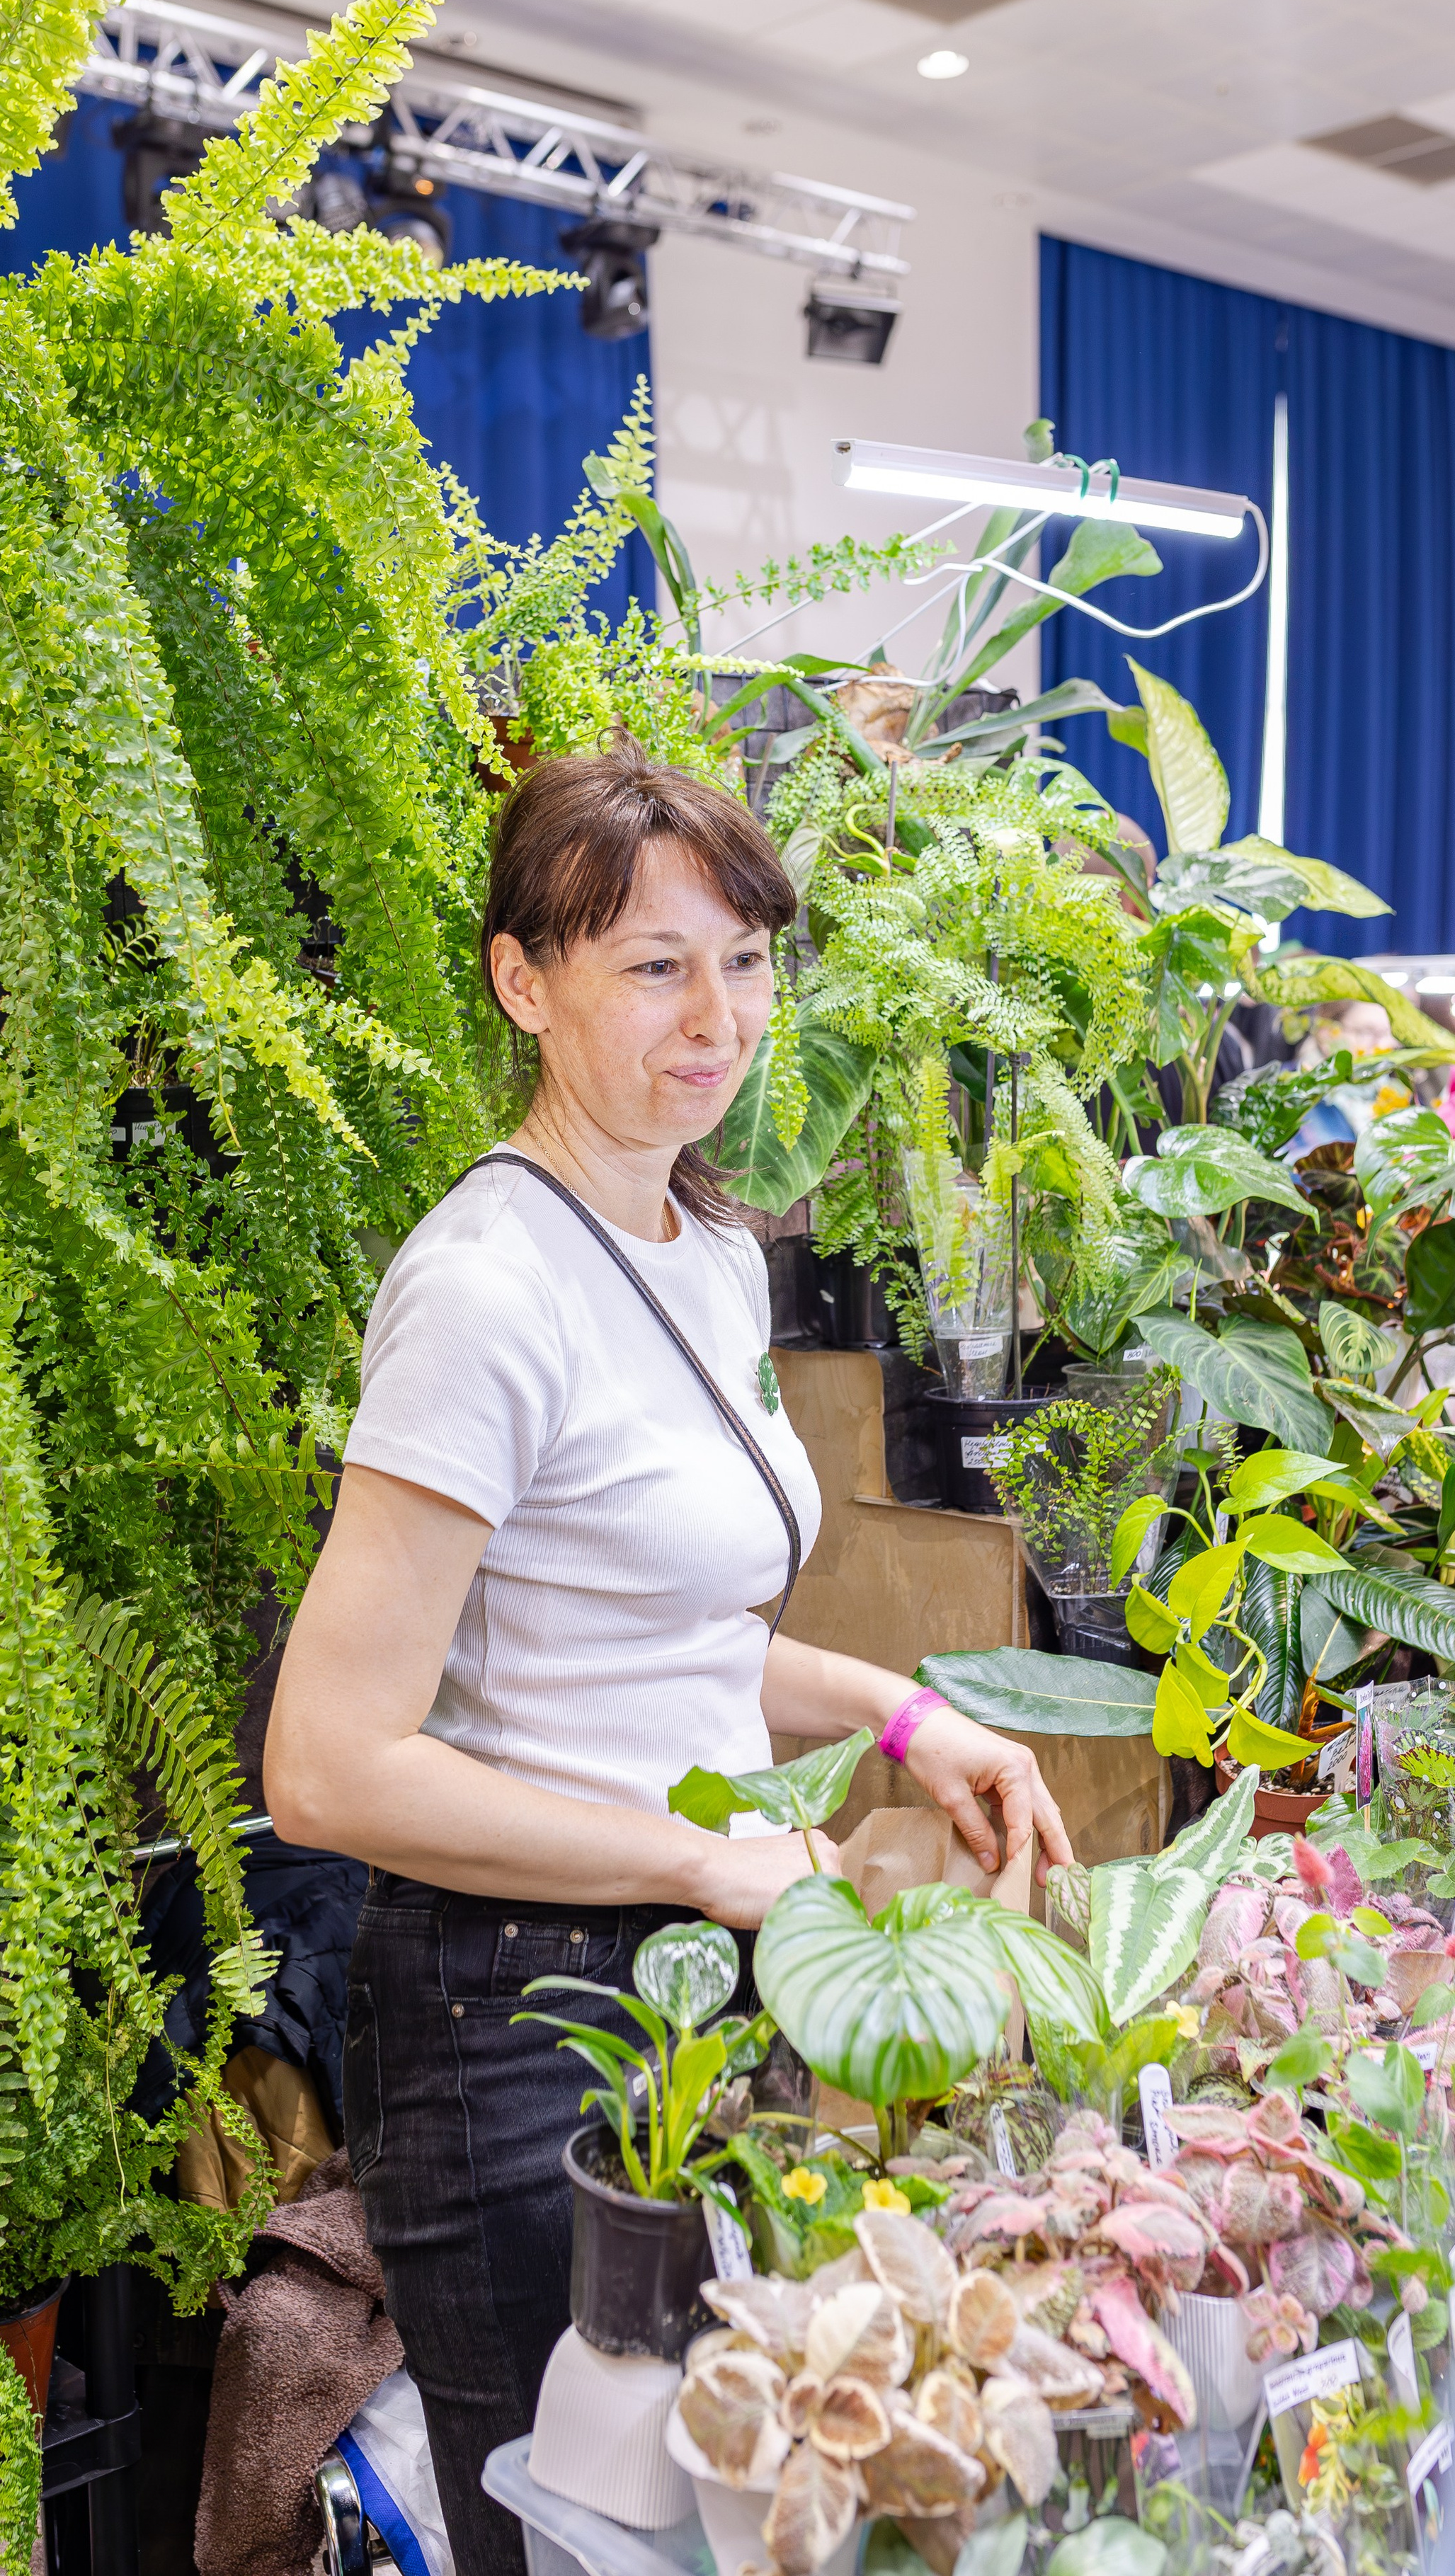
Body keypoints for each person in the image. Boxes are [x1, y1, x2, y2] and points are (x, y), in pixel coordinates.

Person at [264, 736, 1074, 2576]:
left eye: (746, 960)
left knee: (718, 2522)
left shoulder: (701, 1243)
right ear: (520, 980)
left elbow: (668, 1624)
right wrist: (709, 1858)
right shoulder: (486, 1292)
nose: (715, 1019)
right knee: (580, 2540)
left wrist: (901, 1712)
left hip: (687, 1997)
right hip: (510, 2021)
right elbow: (325, 1765)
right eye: (652, 966)